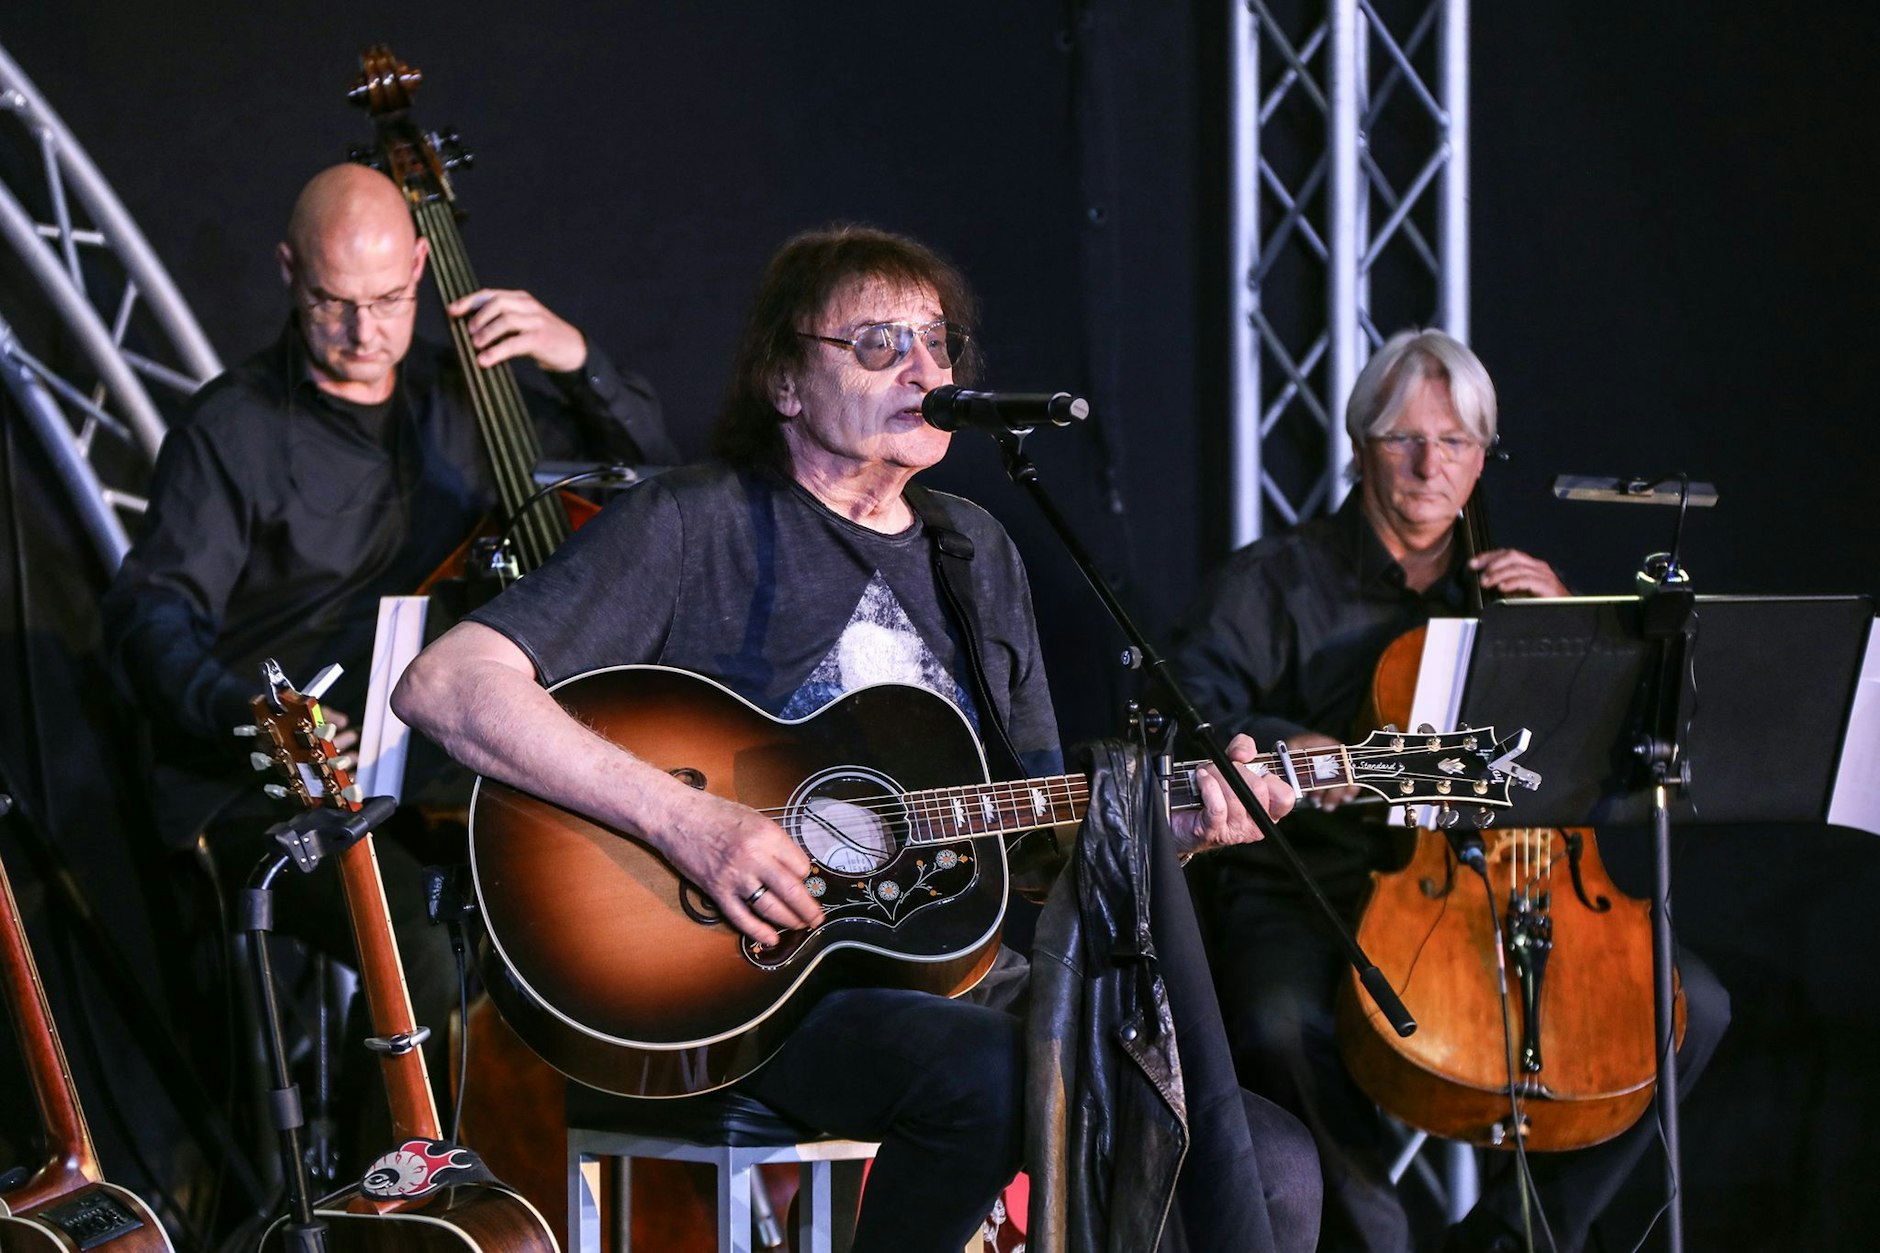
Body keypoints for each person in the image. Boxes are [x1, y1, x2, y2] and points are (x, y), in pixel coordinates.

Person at [392, 224, 1306, 1252]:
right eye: (877, 342)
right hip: (751, 984)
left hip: (964, 973)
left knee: (1264, 1161)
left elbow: (1040, 844)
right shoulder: (697, 523)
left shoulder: (976, 550)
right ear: (785, 380)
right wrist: (689, 820)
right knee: (998, 1080)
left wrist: (1168, 825)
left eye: (937, 342)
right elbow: (447, 684)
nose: (923, 368)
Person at [99, 163, 678, 1175]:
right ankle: (400, 1216)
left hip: (429, 777)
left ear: (421, 266)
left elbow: (653, 493)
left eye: (385, 301)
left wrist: (576, 358)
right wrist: (250, 710)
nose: (364, 332)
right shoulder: (228, 429)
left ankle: (550, 1195)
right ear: (287, 273)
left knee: (574, 900)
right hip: (262, 783)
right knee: (418, 935)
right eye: (332, 302)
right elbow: (152, 618)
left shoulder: (464, 411)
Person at [1170, 328, 1730, 1251]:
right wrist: (1294, 749)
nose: (1431, 464)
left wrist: (1583, 640)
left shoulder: (1520, 595)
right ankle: (1373, 1240)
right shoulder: (1270, 586)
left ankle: (1509, 1240)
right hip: (1323, 888)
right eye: (1405, 438)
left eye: (1458, 443)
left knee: (1690, 1010)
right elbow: (1186, 706)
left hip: (1503, 889)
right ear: (1360, 447)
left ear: (1480, 459)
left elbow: (1611, 764)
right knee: (1277, 1021)